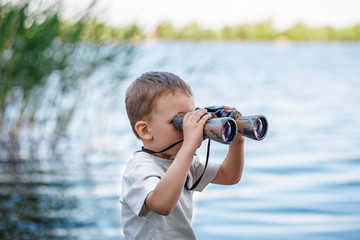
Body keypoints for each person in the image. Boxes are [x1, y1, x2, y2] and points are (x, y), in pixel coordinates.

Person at [120, 71, 245, 239]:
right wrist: (188, 147)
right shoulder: (139, 167)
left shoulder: (185, 162)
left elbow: (229, 176)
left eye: (191, 117)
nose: (189, 128)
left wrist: (237, 142)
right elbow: (161, 204)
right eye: (179, 121)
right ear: (145, 130)